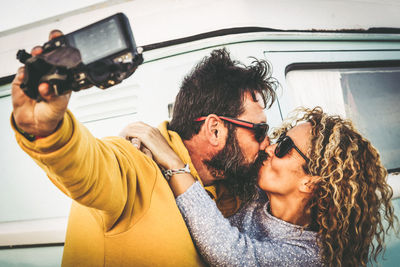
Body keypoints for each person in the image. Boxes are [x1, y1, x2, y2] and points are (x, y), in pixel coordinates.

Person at [11, 30, 277, 266]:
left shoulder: (231, 188)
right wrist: (49, 132)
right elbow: (88, 167)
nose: (267, 144)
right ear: (215, 129)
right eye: (260, 130)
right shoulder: (135, 162)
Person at [122, 107, 398, 267]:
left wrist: (172, 163)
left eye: (286, 147)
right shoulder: (257, 197)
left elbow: (232, 253)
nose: (271, 147)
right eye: (279, 138)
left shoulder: (310, 255)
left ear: (312, 182)